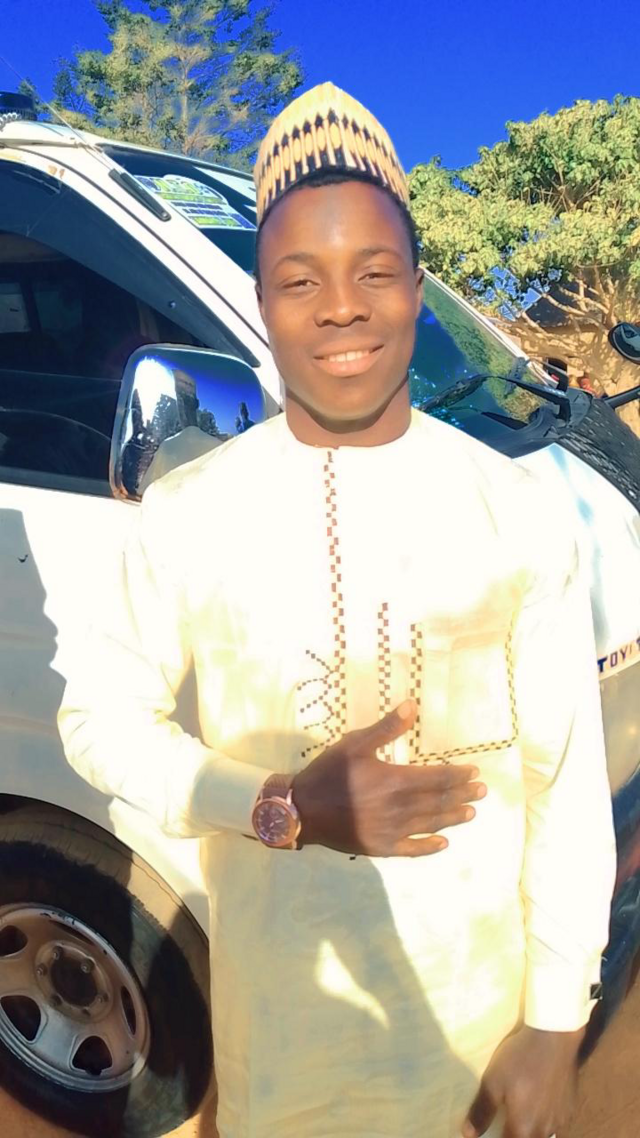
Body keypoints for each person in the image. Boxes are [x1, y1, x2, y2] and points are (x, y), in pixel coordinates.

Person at [58, 83, 616, 1138]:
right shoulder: (188, 513)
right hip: (282, 1044)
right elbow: (98, 721)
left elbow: (565, 789)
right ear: (263, 304)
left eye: (373, 272)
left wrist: (552, 1023)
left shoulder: (515, 509)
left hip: (476, 1036)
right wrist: (279, 804)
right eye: (299, 279)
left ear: (416, 289)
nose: (341, 306)